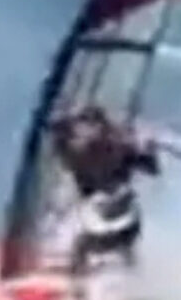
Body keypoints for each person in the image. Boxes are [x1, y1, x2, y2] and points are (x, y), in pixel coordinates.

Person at [49, 105, 159, 275]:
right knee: (90, 239)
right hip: (111, 221)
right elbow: (60, 141)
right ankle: (132, 272)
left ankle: (81, 288)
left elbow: (152, 168)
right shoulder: (79, 151)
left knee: (83, 245)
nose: (85, 132)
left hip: (120, 222)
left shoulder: (119, 148)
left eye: (90, 125)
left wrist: (149, 146)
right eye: (82, 127)